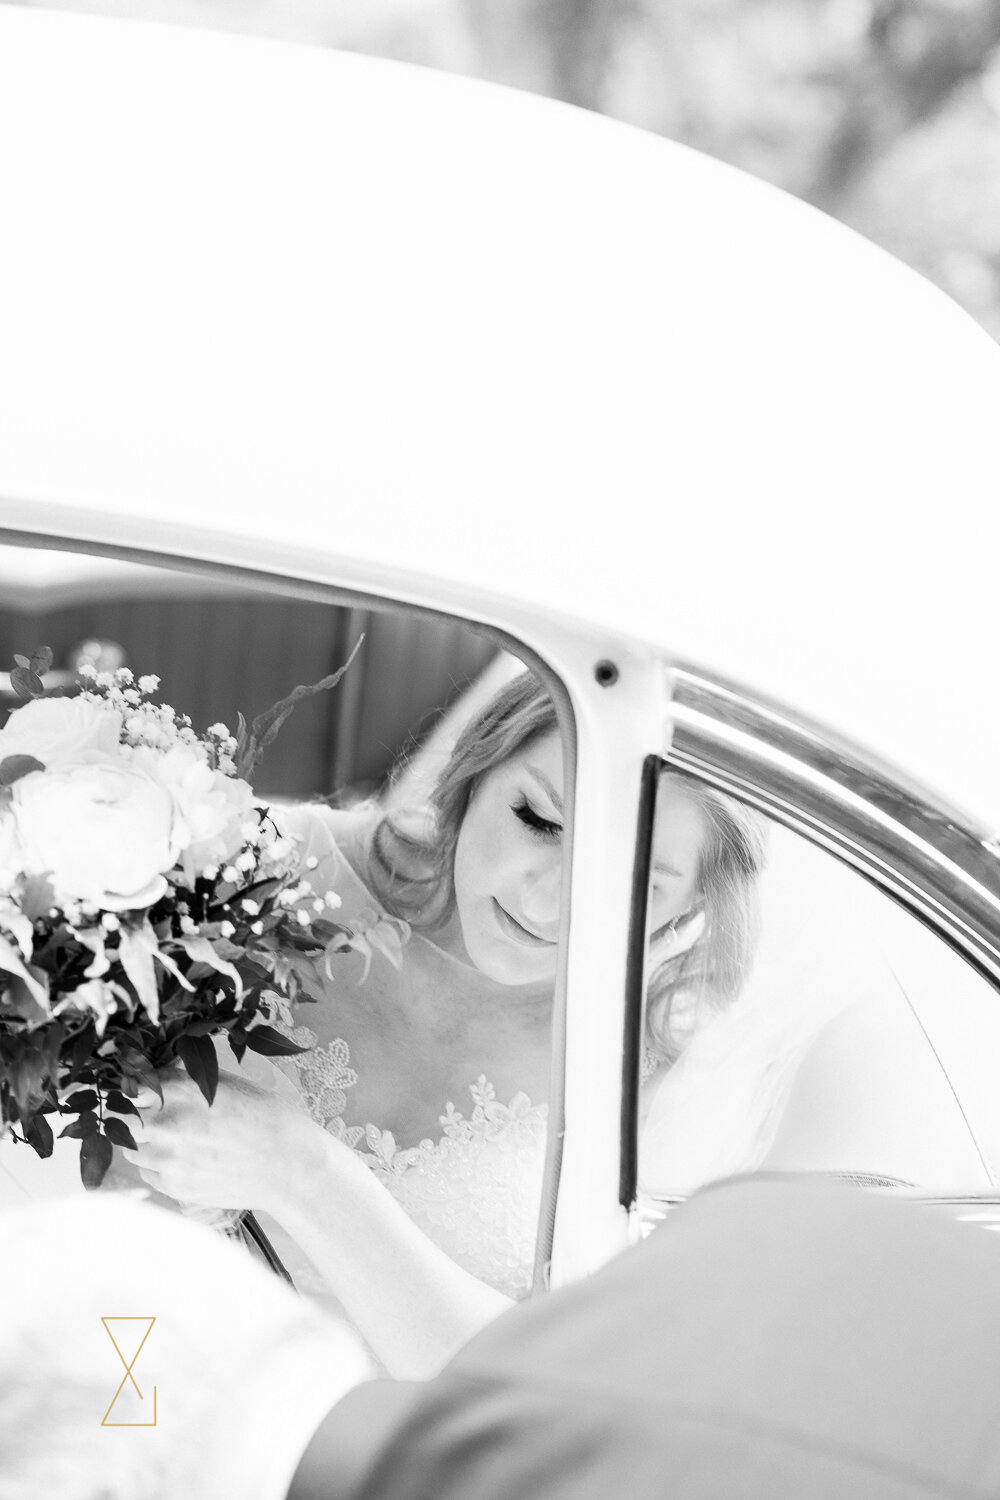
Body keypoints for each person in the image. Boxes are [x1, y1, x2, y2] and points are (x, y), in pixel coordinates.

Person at [126, 672, 767, 1376]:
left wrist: (307, 1175)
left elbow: (544, 1392)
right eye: (541, 821)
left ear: (687, 911)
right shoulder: (254, 871)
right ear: (475, 771)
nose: (549, 902)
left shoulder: (660, 1065)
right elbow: (112, 1241)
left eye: (633, 880)